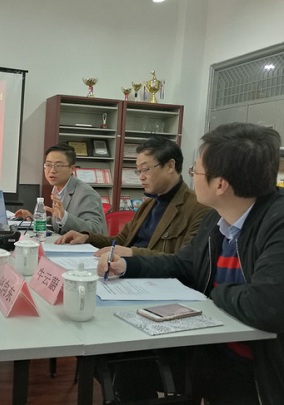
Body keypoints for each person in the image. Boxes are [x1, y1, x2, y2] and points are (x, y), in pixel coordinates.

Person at [101, 123, 284, 404]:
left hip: (257, 368)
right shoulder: (216, 218)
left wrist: (212, 293)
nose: (191, 178)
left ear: (220, 184)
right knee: (121, 358)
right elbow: (183, 265)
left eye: (194, 171)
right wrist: (126, 266)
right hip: (209, 345)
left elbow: (265, 306)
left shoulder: (277, 222)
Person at [56, 136, 211, 257]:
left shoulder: (198, 208)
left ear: (170, 166)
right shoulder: (148, 204)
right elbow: (121, 241)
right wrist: (87, 237)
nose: (141, 177)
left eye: (146, 169)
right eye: (138, 171)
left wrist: (132, 253)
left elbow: (183, 261)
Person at [14, 143, 106, 234]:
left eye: (58, 166)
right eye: (48, 165)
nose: (52, 170)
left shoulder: (86, 193)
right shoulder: (57, 188)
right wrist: (35, 218)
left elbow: (96, 229)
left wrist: (64, 217)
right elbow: (58, 222)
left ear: (72, 168)